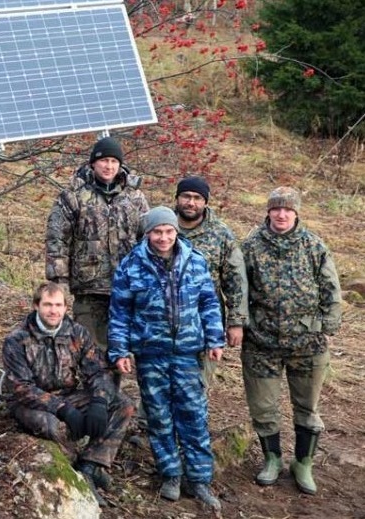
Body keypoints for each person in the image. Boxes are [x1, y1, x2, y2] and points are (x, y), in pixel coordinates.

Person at [108, 206, 225, 510]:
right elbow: (120, 312)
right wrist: (120, 350)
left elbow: (209, 302)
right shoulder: (131, 265)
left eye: (169, 231)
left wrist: (215, 338)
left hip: (188, 353)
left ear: (176, 232)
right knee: (159, 417)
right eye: (157, 232)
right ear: (148, 233)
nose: (163, 237)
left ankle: (198, 479)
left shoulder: (195, 262)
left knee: (194, 416)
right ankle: (170, 474)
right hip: (150, 353)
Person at [240, 187, 341, 494]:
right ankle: (272, 459)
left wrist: (327, 327)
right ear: (268, 211)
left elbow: (331, 289)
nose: (281, 214)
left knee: (307, 407)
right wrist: (241, 324)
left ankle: (303, 463)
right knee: (264, 406)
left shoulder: (314, 246)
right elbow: (237, 290)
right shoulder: (251, 246)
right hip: (261, 343)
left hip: (306, 343)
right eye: (276, 209)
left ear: (296, 213)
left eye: (288, 210)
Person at [2, 281, 134, 505]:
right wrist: (63, 409)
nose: (53, 310)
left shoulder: (76, 332)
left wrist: (99, 402)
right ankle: (72, 468)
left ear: (65, 307)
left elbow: (98, 371)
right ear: (36, 306)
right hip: (31, 403)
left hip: (69, 394)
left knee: (123, 404)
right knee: (51, 426)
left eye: (58, 305)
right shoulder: (17, 339)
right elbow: (21, 388)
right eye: (47, 305)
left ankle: (91, 465)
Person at [45, 136, 149, 379]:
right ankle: (90, 400)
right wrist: (58, 284)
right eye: (103, 161)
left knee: (119, 350)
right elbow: (56, 241)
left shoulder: (135, 198)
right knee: (88, 350)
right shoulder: (73, 196)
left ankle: (110, 400)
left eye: (114, 161)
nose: (109, 166)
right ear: (93, 164)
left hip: (126, 289)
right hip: (88, 288)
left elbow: (147, 241)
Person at [174, 176, 248, 378]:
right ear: (177, 198)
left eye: (197, 198)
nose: (191, 202)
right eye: (186, 196)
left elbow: (236, 280)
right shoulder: (161, 227)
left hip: (205, 322)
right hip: (162, 324)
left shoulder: (221, 234)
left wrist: (236, 322)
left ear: (205, 202)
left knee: (198, 388)